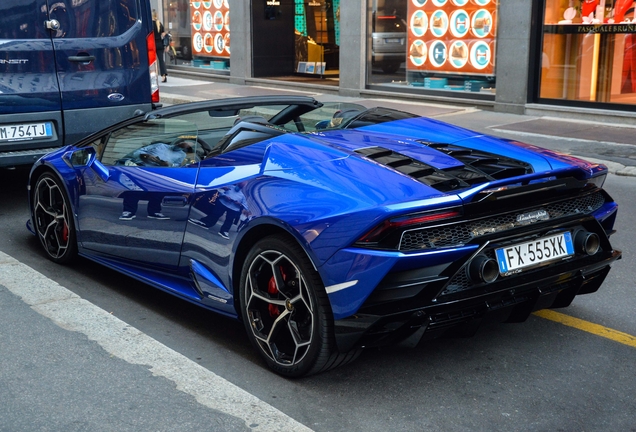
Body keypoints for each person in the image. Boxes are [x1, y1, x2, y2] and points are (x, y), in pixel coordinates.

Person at [152, 10, 168, 82]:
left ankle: (154, 76)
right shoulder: (159, 24)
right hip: (160, 44)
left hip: (153, 44)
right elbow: (164, 34)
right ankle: (163, 76)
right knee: (161, 60)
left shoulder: (150, 24)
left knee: (153, 61)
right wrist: (166, 45)